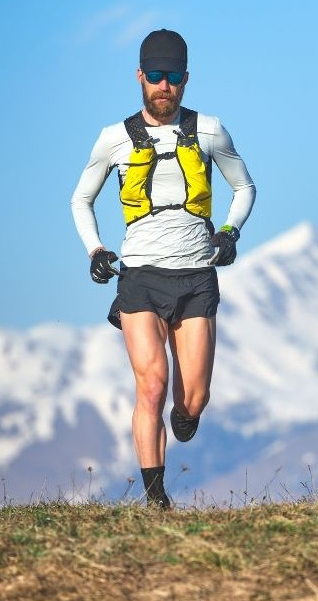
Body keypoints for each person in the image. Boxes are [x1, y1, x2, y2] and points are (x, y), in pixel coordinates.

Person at [71, 29, 256, 508]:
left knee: (192, 400)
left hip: (196, 276)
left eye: (172, 77)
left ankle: (186, 415)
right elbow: (81, 200)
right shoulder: (113, 139)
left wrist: (230, 233)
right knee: (150, 382)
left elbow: (245, 188)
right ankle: (156, 499)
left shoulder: (210, 130)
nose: (163, 86)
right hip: (140, 277)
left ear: (186, 79)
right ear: (139, 77)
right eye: (155, 76)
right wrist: (95, 251)